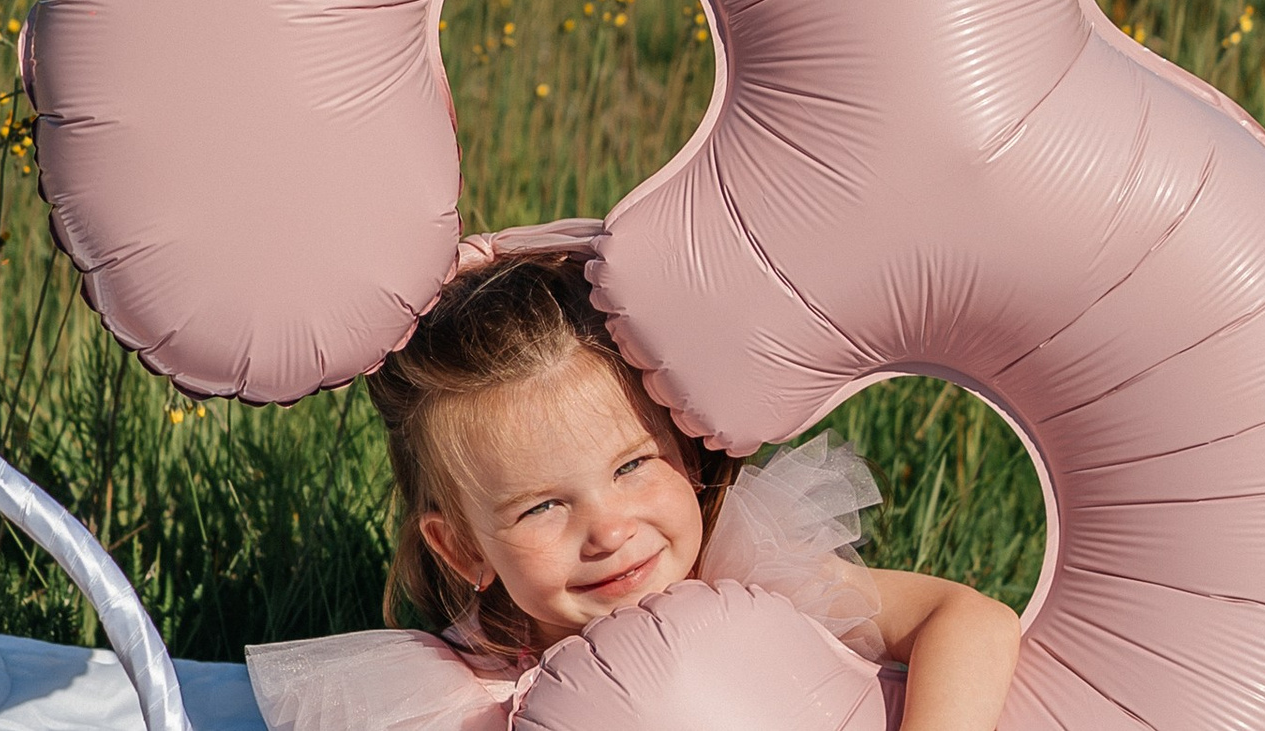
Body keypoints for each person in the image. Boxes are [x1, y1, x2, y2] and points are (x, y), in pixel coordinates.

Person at [244, 250, 1022, 731]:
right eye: (543, 505)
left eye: (632, 466)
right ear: (462, 546)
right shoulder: (462, 697)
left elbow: (972, 620)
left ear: (684, 447)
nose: (610, 529)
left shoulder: (751, 574)